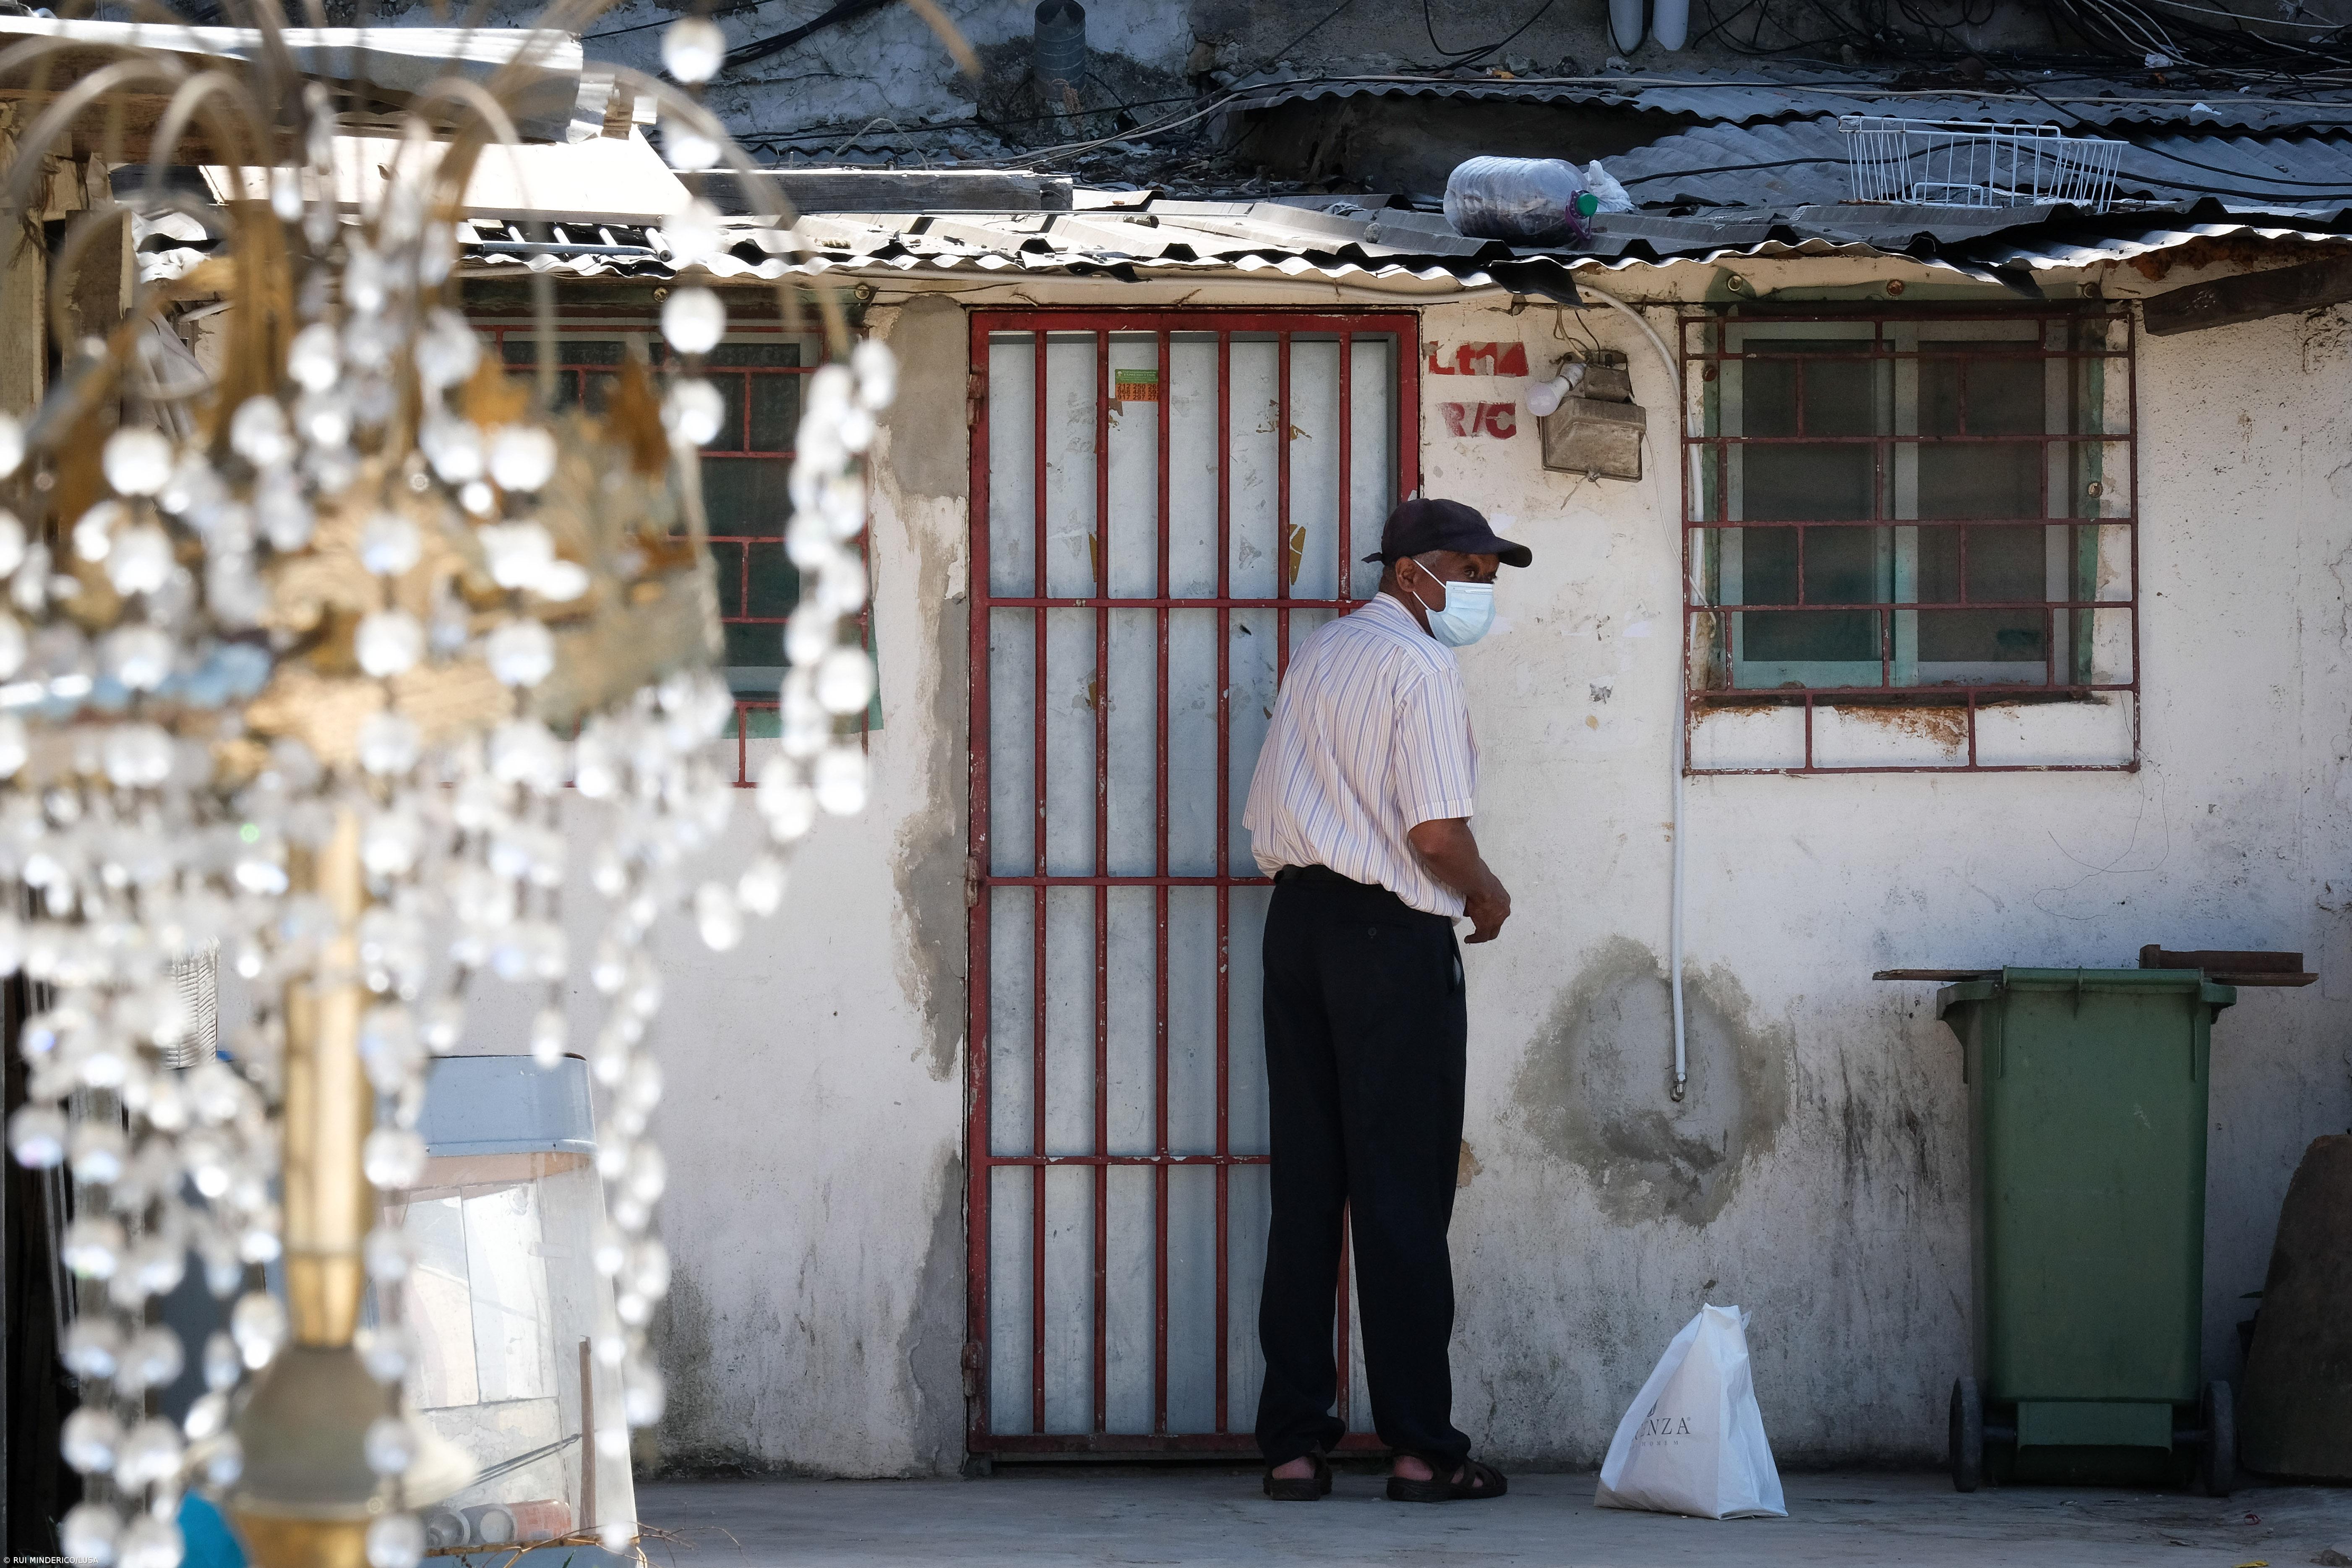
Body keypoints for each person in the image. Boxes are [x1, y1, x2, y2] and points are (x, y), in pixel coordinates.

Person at [1241, 496, 1527, 1505]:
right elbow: (1436, 836)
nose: (1483, 588)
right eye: (1470, 568)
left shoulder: (1322, 652)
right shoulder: (1419, 665)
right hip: (1387, 940)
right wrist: (1487, 899)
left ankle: (1292, 1447)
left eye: (1491, 574)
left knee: (1309, 1192)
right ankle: (1417, 1450)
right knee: (1403, 1193)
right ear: (1411, 570)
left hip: (1298, 929)